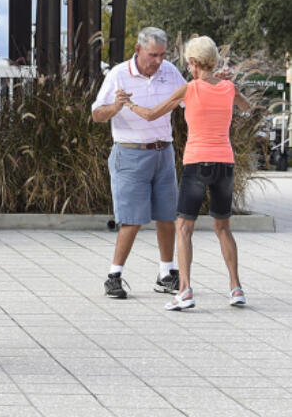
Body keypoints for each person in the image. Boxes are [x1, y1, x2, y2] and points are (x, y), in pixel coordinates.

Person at [127, 36, 252, 310]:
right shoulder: (229, 88)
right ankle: (236, 288)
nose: (188, 69)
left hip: (197, 163)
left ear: (194, 63)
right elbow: (246, 106)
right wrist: (227, 82)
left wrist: (128, 104)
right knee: (223, 228)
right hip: (225, 165)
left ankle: (184, 290)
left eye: (189, 64)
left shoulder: (189, 89)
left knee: (184, 227)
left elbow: (150, 114)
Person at [91, 26, 185, 299]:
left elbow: (190, 100)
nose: (158, 61)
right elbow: (97, 114)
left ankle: (166, 274)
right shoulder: (118, 74)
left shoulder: (169, 71)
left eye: (162, 55)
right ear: (138, 50)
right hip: (130, 153)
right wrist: (117, 107)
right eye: (152, 55)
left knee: (167, 216)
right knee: (131, 220)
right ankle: (114, 276)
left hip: (163, 153)